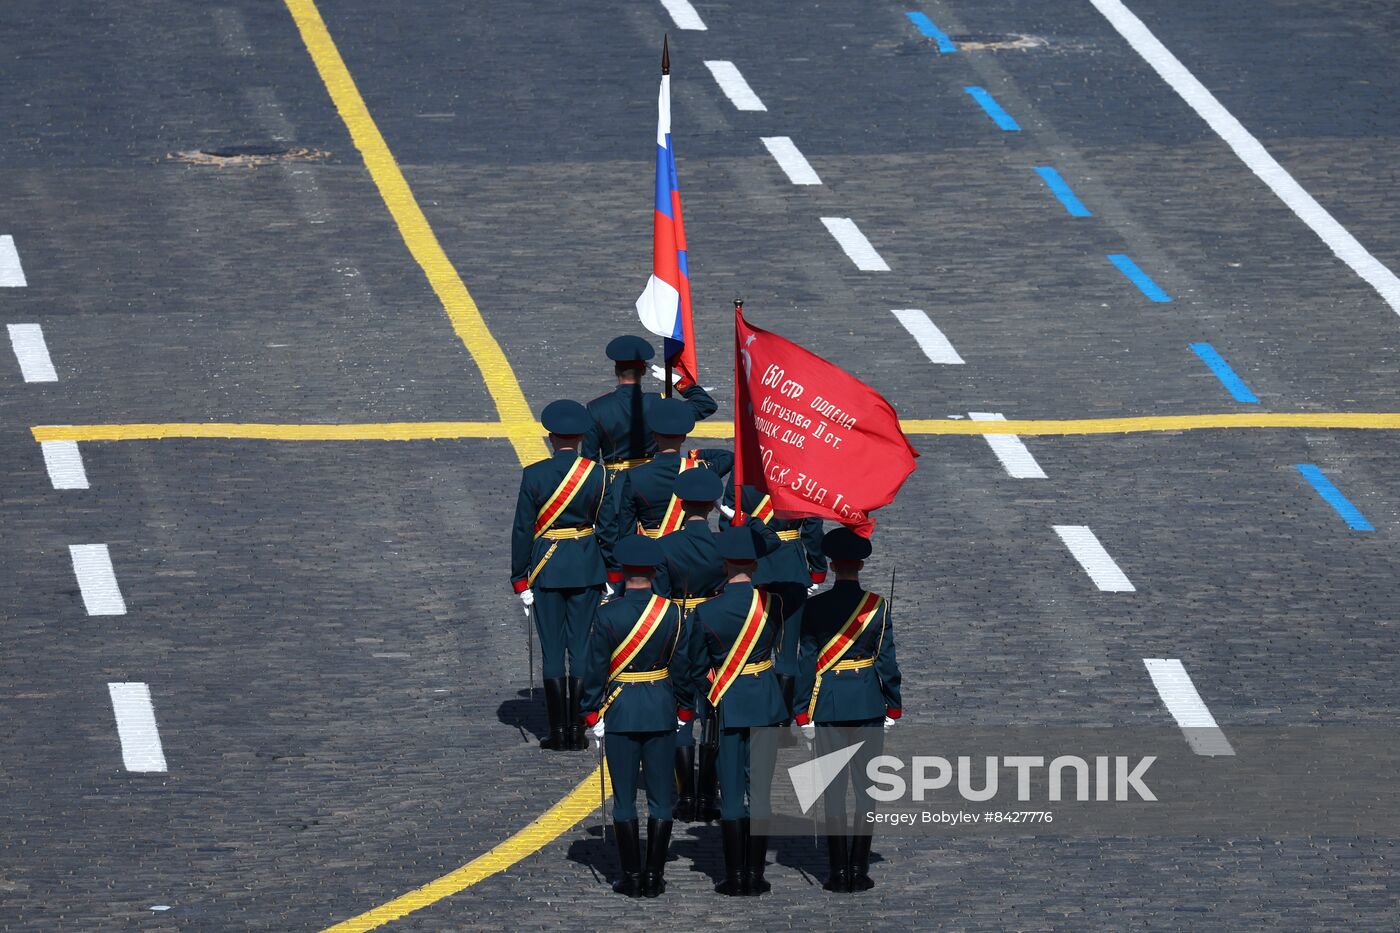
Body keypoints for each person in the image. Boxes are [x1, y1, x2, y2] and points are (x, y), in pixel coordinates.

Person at [579, 535, 698, 898]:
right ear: (653, 571)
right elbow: (683, 668)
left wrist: (591, 712)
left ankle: (631, 876)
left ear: (623, 571)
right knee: (662, 799)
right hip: (661, 708)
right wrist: (683, 708)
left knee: (625, 799)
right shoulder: (673, 613)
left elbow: (595, 669)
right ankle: (654, 876)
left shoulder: (606, 613)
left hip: (620, 711)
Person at [793, 528, 903, 893]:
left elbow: (806, 661)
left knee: (834, 792)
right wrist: (894, 704)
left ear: (832, 564)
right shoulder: (876, 606)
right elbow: (886, 662)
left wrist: (802, 713)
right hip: (869, 702)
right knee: (866, 790)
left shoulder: (814, 607)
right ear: (859, 564)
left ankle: (837, 871)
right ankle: (859, 869)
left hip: (828, 703)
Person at [691, 525, 789, 896]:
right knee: (760, 793)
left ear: (725, 562)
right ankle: (756, 873)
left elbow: (696, 668)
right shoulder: (773, 604)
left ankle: (735, 876)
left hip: (727, 705)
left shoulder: (708, 610)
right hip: (763, 703)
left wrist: (710, 691)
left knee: (731, 795)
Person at [509, 400, 608, 752]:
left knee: (552, 651)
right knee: (581, 648)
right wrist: (610, 571)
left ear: (551, 438)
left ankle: (558, 731)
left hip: (546, 567)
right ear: (581, 437)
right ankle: (579, 729)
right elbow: (608, 527)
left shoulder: (534, 474)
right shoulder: (597, 474)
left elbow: (522, 530)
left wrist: (519, 578)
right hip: (586, 565)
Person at [651, 466, 730, 822]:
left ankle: (685, 794)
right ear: (713, 505)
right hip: (715, 631)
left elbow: (661, 600)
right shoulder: (723, 545)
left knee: (681, 712)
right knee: (713, 710)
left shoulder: (664, 547)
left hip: (680, 630)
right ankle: (709, 794)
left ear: (680, 505)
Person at [722, 483, 825, 718]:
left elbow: (727, 519)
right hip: (791, 566)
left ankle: (751, 712)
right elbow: (812, 527)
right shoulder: (796, 473)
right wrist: (817, 568)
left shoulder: (743, 473)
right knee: (787, 650)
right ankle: (782, 722)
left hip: (755, 566)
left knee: (749, 647)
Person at [581, 335, 717, 475]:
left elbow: (589, 461)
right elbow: (705, 404)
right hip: (652, 476)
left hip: (615, 481)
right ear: (644, 371)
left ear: (616, 370)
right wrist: (677, 381)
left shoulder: (596, 407)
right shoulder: (660, 403)